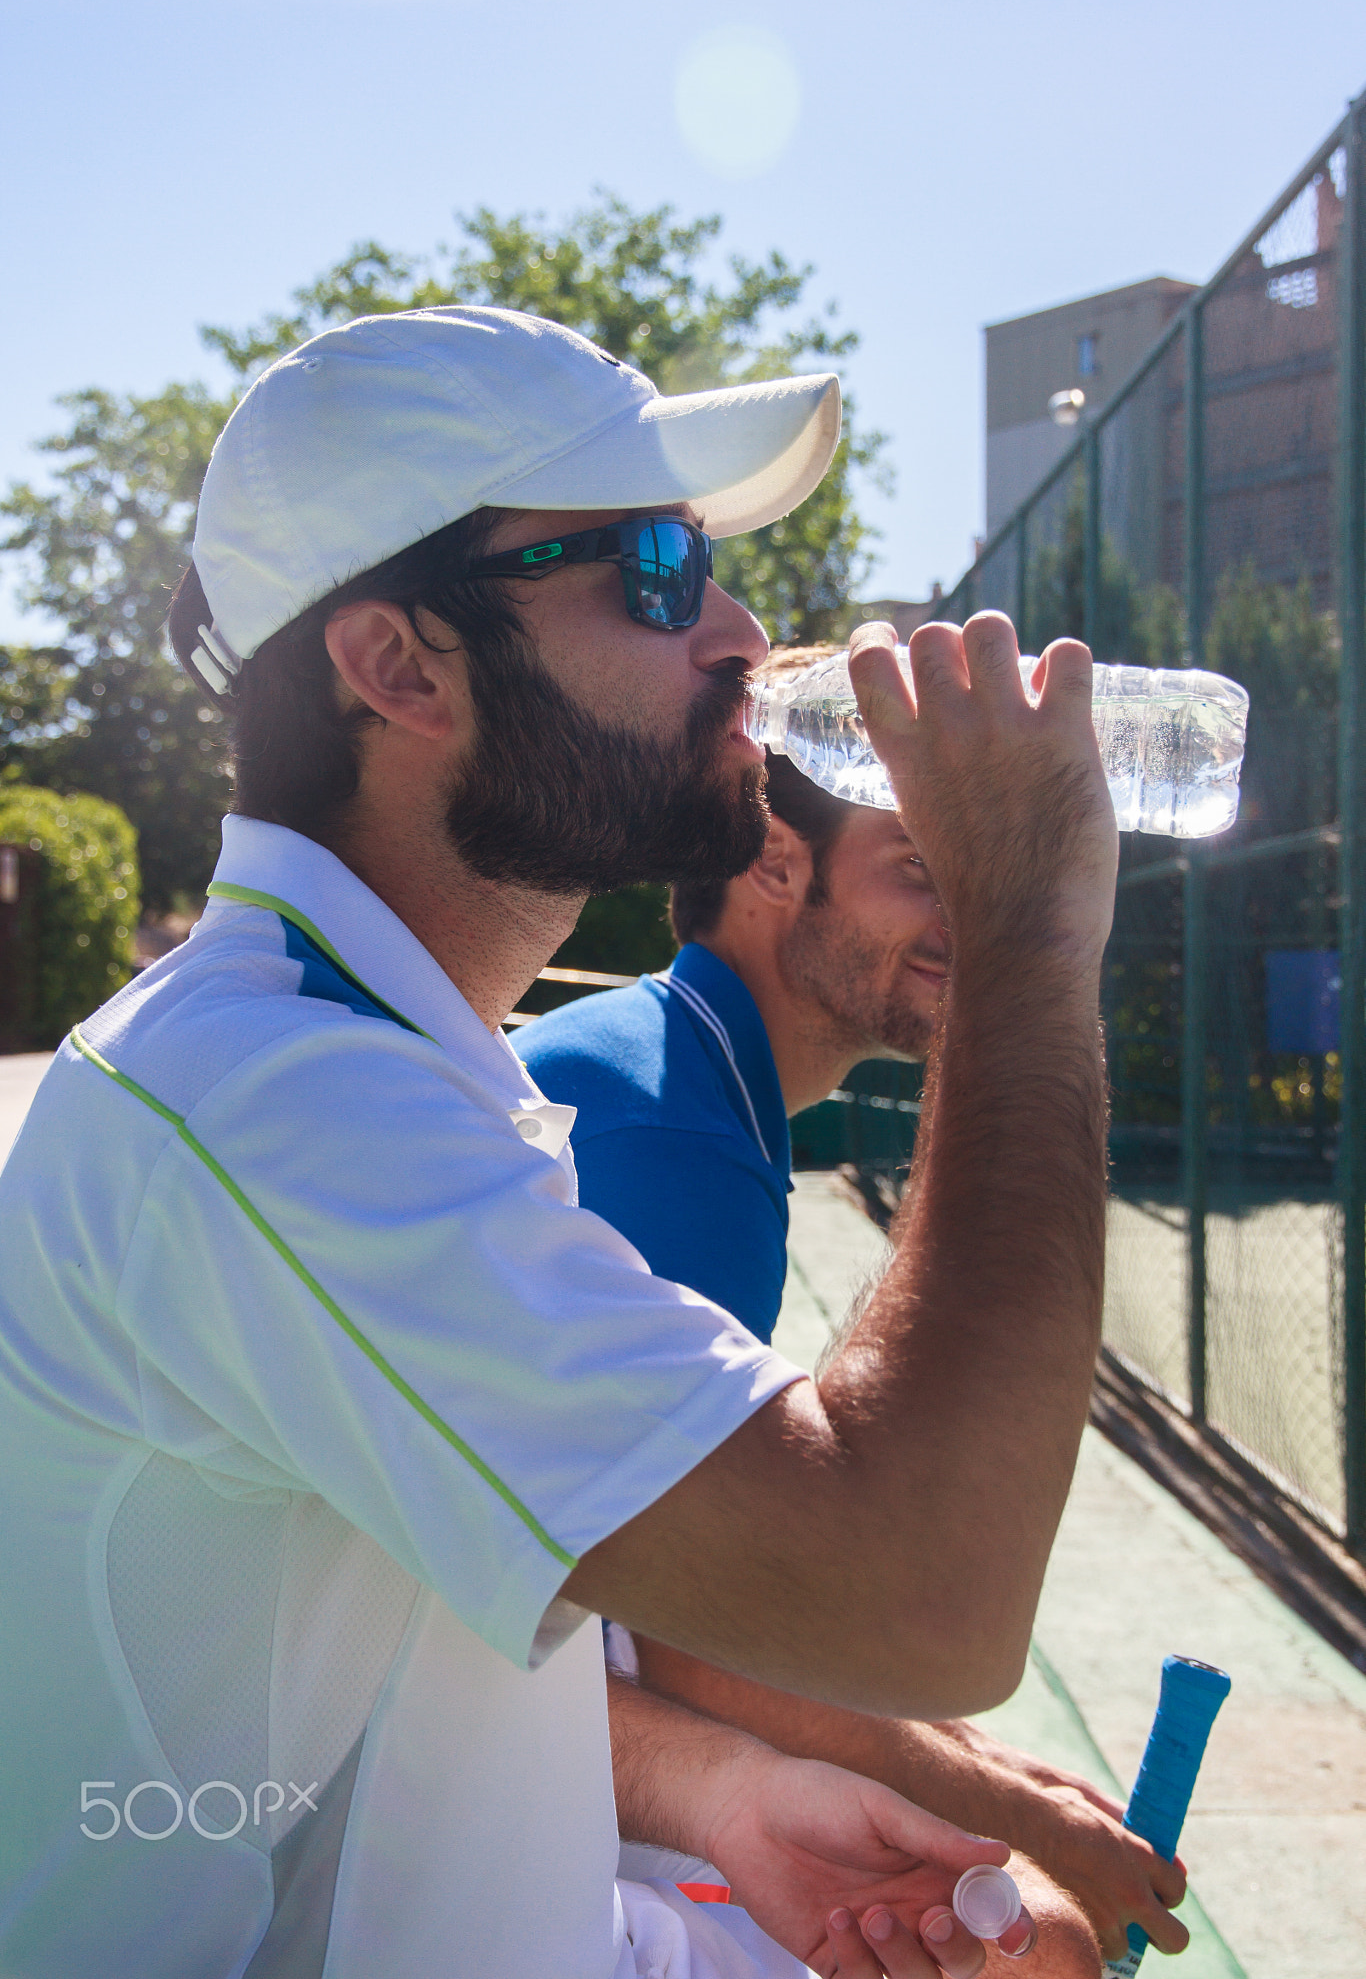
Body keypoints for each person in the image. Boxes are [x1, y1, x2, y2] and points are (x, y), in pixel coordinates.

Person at [0, 306, 1118, 1977]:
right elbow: (923, 1589)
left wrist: (730, 1794)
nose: (738, 630)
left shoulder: (375, 1065)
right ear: (396, 665)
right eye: (657, 567)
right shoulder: (279, 1106)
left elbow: (333, 1700)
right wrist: (1026, 929)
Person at [517, 646, 1192, 1975]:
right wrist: (1016, 1817)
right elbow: (698, 1648)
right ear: (776, 861)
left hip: (515, 1703)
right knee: (1033, 1948)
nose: (964, 903)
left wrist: (998, 1779)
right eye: (919, 864)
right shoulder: (662, 1123)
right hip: (432, 1767)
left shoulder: (689, 1081)